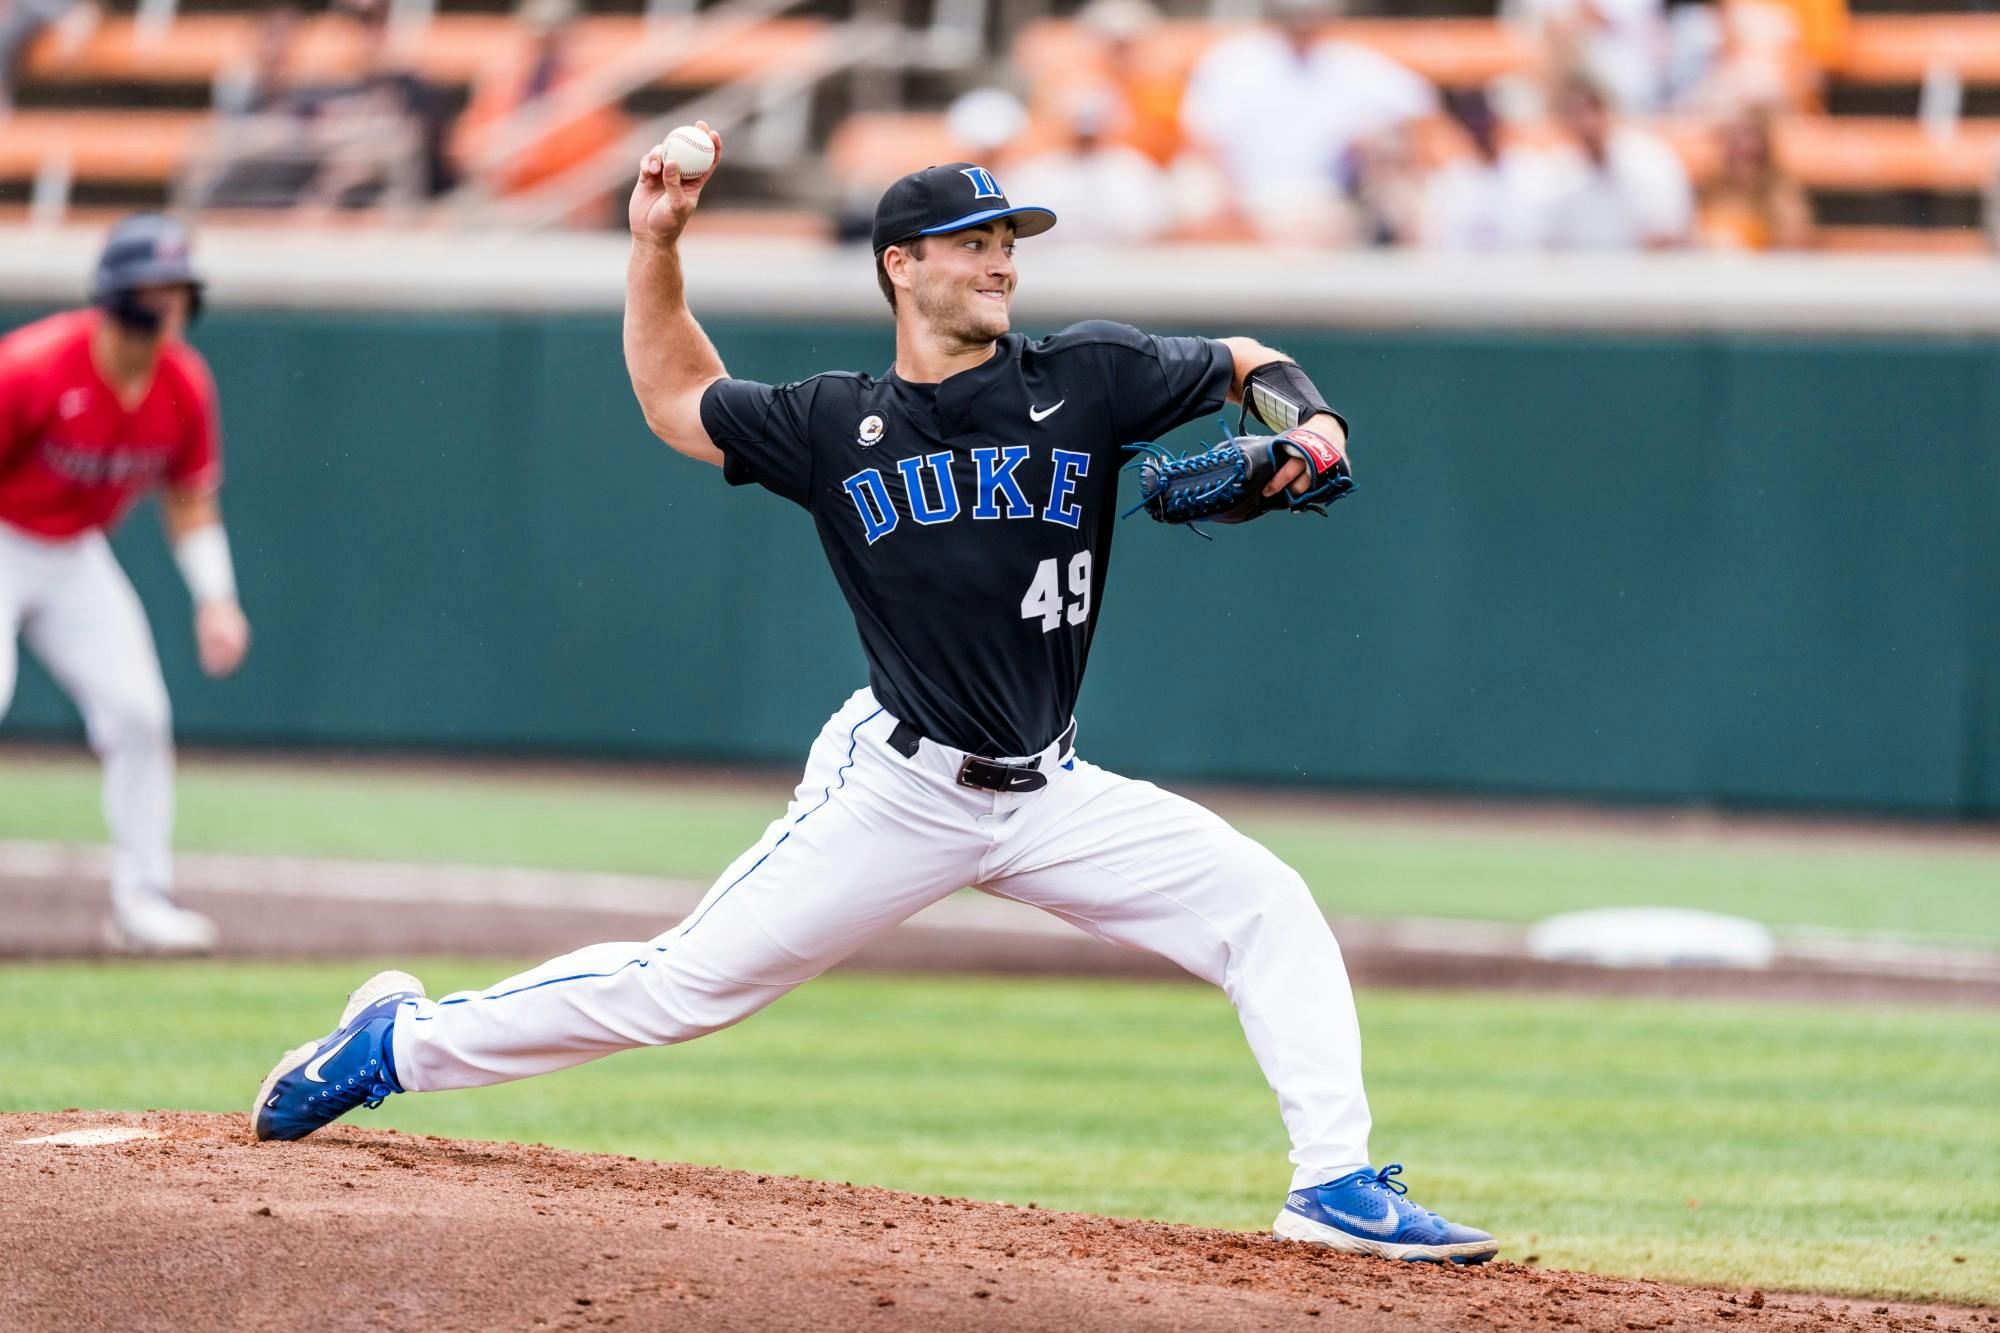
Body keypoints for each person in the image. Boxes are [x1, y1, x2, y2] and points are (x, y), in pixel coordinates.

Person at [251, 136, 1498, 1268]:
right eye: (974, 243)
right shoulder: (834, 423)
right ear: (901, 266)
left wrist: (1313, 427)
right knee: (684, 987)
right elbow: (672, 398)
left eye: (1011, 242)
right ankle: (395, 1046)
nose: (1001, 261)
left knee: (1263, 904)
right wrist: (655, 243)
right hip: (897, 786)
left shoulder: (1088, 378)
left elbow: (1245, 363)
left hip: (1051, 787)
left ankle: (1330, 1183)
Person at [0, 214, 251, 953]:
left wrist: (216, 598)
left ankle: (142, 901)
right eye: (157, 282)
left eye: (180, 284)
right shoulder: (34, 366)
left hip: (75, 553)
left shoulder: (183, 382)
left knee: (139, 711)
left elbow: (189, 496)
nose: (173, 298)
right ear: (117, 289)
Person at [1179, 0, 1435, 243]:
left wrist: (1378, 151)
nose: (1302, 23)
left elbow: (1420, 109)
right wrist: (1232, 205)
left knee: (1409, 195)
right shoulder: (1233, 61)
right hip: (1244, 196)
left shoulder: (1353, 64)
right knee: (1194, 193)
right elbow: (1203, 141)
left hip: (1327, 198)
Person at [1532, 71, 1692, 249]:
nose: (1587, 123)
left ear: (1608, 111)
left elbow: (1670, 234)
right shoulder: (1559, 172)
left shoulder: (1649, 160)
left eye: (1593, 109)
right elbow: (1547, 243)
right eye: (1575, 113)